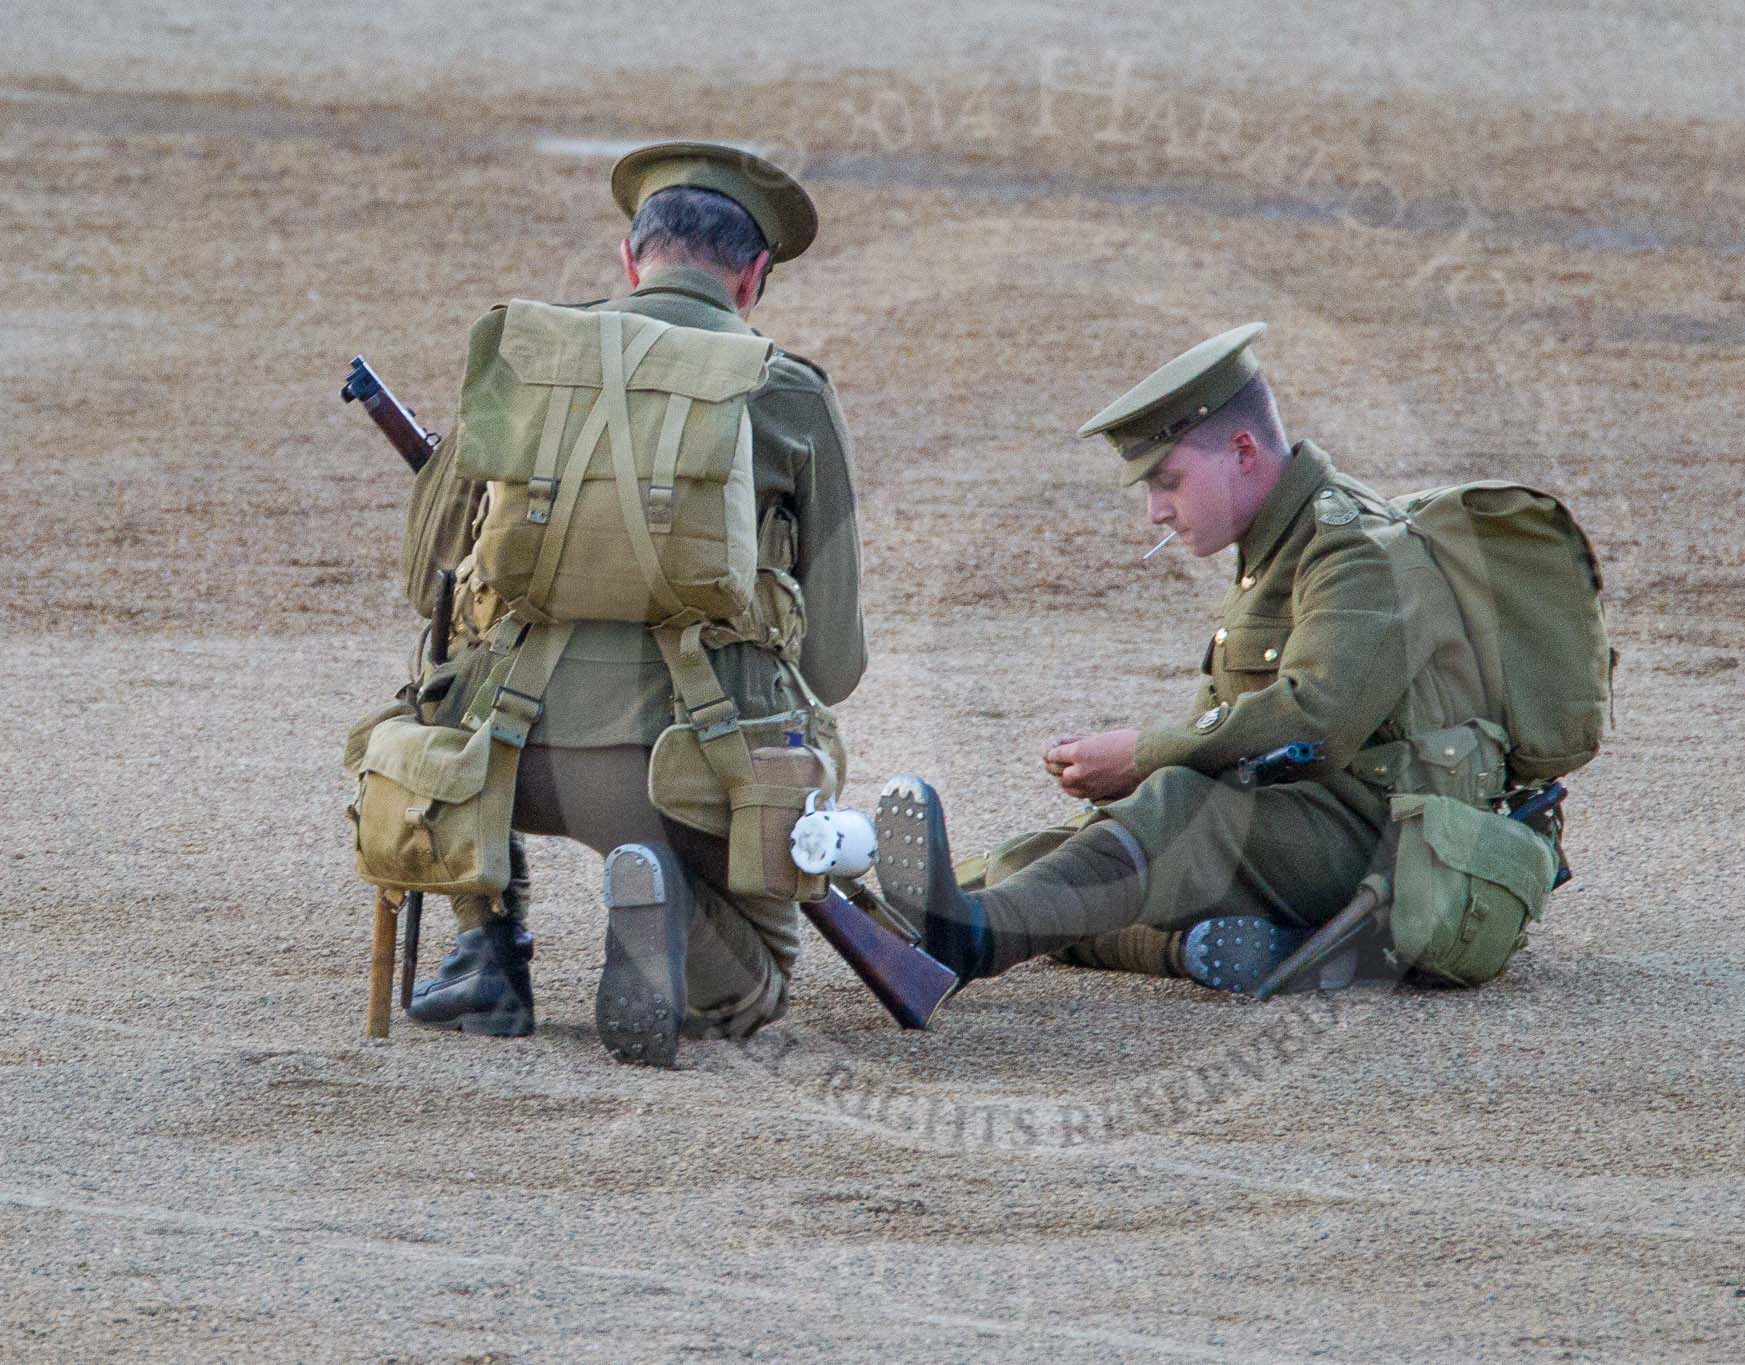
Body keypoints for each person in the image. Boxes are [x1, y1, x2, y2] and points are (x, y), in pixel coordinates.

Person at [404, 141, 865, 1063]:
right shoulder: (789, 390)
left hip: (507, 765)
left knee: (442, 688)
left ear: (630, 257)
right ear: (752, 280)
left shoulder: (525, 354)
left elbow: (429, 585)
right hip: (690, 769)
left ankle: (485, 946)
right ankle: (669, 907)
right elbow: (832, 665)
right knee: (760, 980)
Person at [876, 323, 1495, 994]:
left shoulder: (1352, 550)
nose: (1155, 511)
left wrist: (1144, 755)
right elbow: (1235, 739)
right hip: (1303, 823)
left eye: (1168, 480)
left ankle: (968, 937)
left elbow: (1315, 723)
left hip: (1386, 842)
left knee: (1174, 812)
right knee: (1070, 856)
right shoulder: (1277, 545)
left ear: (1241, 450)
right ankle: (920, 916)